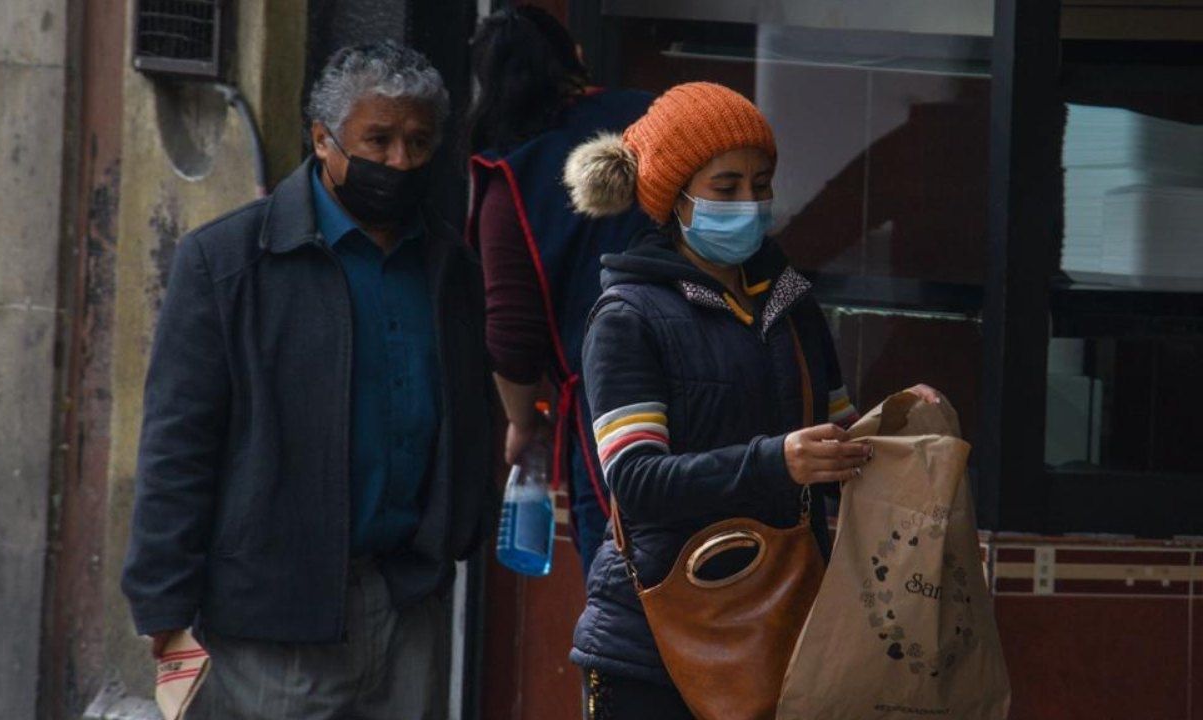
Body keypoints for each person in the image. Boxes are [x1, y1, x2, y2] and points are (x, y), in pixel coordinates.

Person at [120, 41, 496, 720]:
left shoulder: (450, 269)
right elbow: (178, 445)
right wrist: (164, 610)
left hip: (409, 602)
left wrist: (456, 537)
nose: (400, 162)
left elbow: (468, 417)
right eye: (377, 140)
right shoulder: (226, 264)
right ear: (323, 140)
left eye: (418, 142)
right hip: (272, 621)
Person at [563, 81, 941, 718]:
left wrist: (899, 427)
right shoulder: (627, 317)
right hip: (651, 645)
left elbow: (838, 446)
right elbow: (634, 481)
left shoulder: (792, 306)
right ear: (671, 197)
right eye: (726, 186)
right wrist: (777, 462)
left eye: (761, 183)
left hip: (783, 626)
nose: (751, 202)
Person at [466, 4, 653, 575]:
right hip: (715, 372)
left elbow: (512, 336)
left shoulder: (511, 181)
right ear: (574, 57)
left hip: (611, 413)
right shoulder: (650, 122)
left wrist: (524, 422)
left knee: (629, 600)